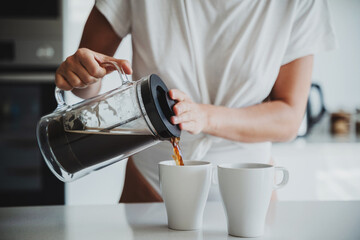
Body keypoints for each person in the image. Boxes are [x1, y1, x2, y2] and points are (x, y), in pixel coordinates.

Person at [55, 0, 336, 202]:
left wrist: (205, 116)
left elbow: (288, 118)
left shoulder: (300, 4)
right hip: (150, 184)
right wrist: (83, 79)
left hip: (248, 190)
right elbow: (86, 87)